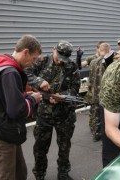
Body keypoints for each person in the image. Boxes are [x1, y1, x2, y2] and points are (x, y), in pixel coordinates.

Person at [0, 35, 42, 180]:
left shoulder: (5, 68)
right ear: (25, 52)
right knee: (4, 176)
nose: (32, 63)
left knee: (19, 173)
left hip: (4, 130)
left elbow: (5, 99)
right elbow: (16, 110)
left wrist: (22, 95)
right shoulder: (10, 72)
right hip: (2, 134)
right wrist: (32, 99)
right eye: (33, 58)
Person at [25, 40, 81, 180]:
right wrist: (39, 82)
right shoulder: (42, 61)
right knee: (40, 147)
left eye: (64, 59)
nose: (61, 61)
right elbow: (26, 73)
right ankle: (39, 174)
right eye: (59, 56)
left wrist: (63, 96)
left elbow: (75, 88)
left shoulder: (72, 65)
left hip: (64, 114)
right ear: (53, 49)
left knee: (64, 146)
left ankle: (63, 173)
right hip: (44, 113)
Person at [87, 42, 111, 142]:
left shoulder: (93, 62)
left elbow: (90, 79)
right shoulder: (109, 62)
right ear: (108, 50)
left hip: (95, 93)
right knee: (105, 115)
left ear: (100, 50)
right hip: (105, 94)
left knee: (95, 114)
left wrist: (89, 90)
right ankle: (106, 134)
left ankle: (96, 134)